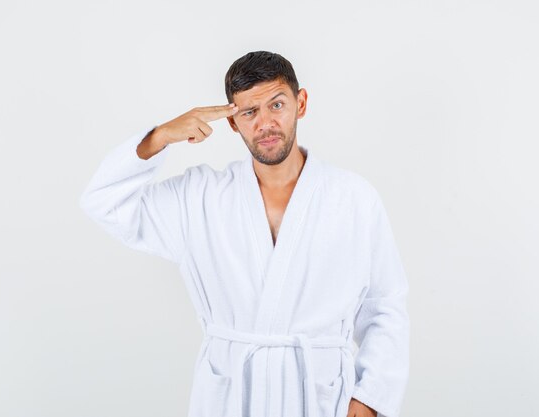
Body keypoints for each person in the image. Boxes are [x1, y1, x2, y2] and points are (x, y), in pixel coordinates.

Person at [79, 51, 410, 417]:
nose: (265, 123)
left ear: (300, 103)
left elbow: (385, 307)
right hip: (230, 398)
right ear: (233, 122)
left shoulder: (353, 198)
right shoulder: (199, 197)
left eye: (277, 105)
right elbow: (103, 201)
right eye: (249, 112)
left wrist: (369, 401)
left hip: (321, 398)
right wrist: (160, 137)